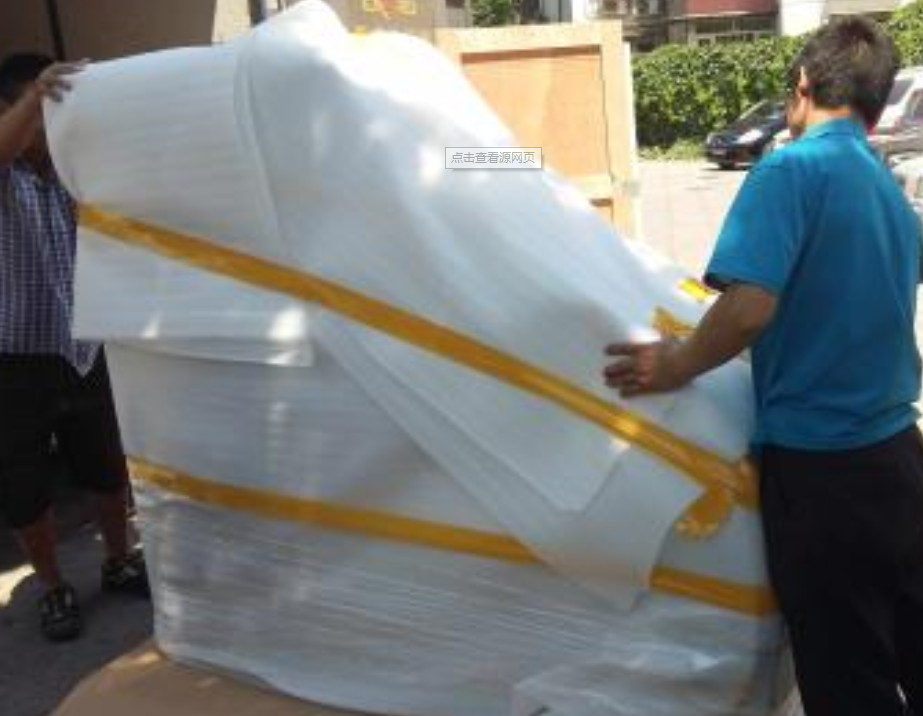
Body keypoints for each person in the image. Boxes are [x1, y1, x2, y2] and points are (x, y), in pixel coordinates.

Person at [604, 18, 923, 716]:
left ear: (802, 86)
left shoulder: (789, 169)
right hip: (900, 460)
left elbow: (749, 306)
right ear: (875, 104)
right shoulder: (888, 191)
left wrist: (676, 364)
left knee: (850, 684)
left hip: (823, 476)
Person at [0, 53, 149, 643]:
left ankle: (119, 559)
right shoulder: (8, 170)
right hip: (15, 357)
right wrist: (35, 100)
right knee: (24, 483)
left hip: (85, 345)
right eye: (42, 110)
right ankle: (53, 586)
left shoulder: (77, 165)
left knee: (106, 464)